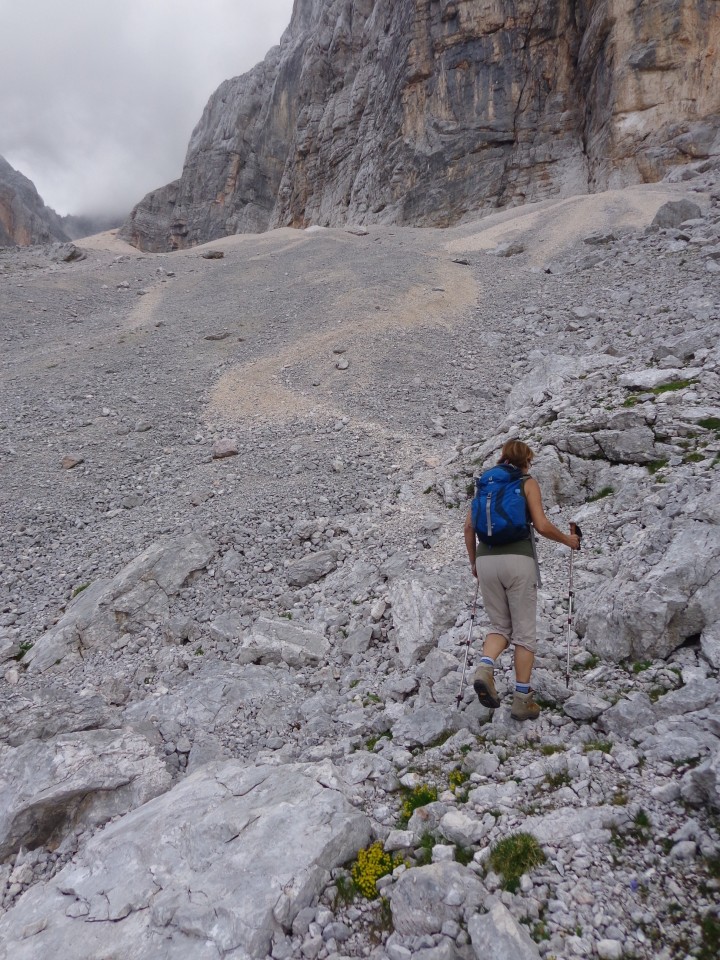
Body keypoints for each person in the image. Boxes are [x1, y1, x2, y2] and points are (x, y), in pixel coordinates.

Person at [463, 440, 580, 720]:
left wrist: (474, 563)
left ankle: (484, 667)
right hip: (518, 560)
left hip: (485, 560)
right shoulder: (526, 482)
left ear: (502, 458)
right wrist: (568, 540)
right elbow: (540, 525)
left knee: (500, 626)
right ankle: (522, 700)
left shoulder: (485, 484)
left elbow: (468, 527)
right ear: (527, 460)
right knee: (524, 633)